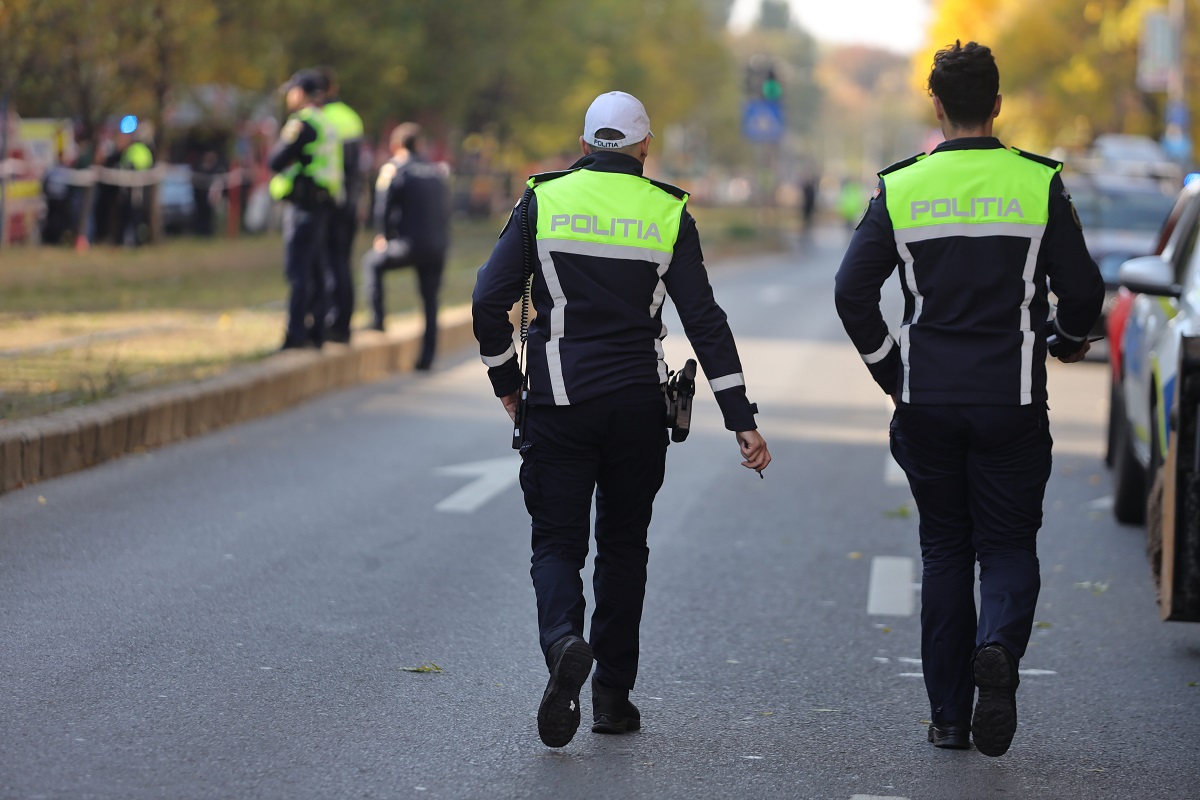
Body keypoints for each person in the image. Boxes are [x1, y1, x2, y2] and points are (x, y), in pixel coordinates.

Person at [472, 90, 771, 748]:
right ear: (644, 149)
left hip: (558, 400)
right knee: (624, 548)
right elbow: (706, 322)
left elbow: (487, 301)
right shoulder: (668, 212)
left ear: (584, 147)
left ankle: (562, 645)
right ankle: (611, 698)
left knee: (556, 545)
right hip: (638, 404)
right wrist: (740, 417)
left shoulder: (542, 201)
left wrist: (505, 383)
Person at [833, 41, 1104, 757]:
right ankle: (1001, 650)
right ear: (997, 104)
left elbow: (851, 292)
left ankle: (950, 717)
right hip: (1010, 399)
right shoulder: (1036, 184)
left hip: (927, 401)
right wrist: (1066, 341)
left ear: (936, 107)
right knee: (1009, 545)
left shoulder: (903, 187)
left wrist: (891, 371)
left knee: (945, 550)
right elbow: (1082, 293)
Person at [361, 122, 450, 370]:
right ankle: (427, 358)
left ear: (396, 145)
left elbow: (383, 206)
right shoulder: (435, 171)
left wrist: (382, 235)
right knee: (430, 302)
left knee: (371, 263)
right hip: (436, 247)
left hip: (407, 245)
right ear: (419, 145)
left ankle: (377, 320)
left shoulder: (395, 169)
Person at [268, 69, 343, 350]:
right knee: (316, 268)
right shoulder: (327, 122)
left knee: (298, 271)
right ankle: (317, 333)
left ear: (301, 93)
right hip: (324, 203)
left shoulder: (303, 123)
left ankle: (295, 333)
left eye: (292, 90)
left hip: (304, 205)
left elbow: (275, 160)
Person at [316, 66, 365, 344]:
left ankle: (328, 322)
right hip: (351, 198)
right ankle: (343, 323)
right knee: (343, 263)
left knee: (325, 263)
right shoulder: (351, 117)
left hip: (330, 201)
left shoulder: (321, 118)